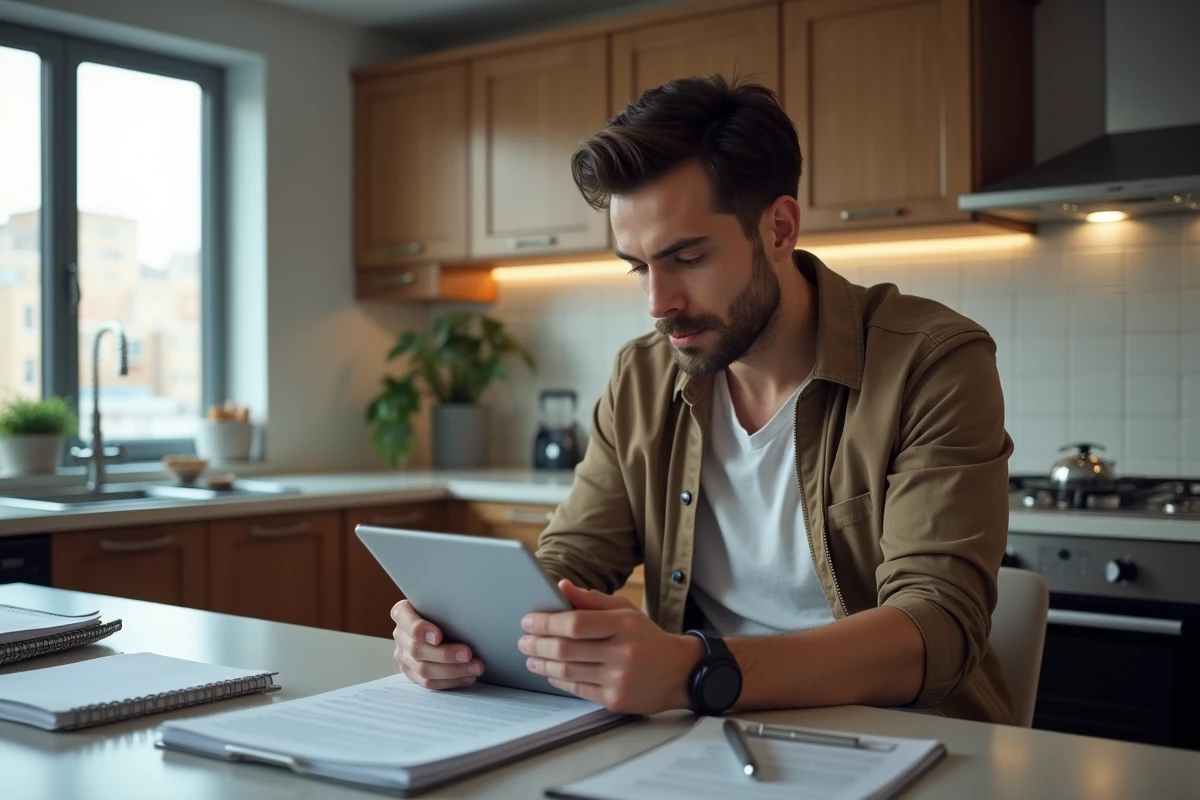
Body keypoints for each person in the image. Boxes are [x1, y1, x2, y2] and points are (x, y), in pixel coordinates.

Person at [391, 75, 1014, 724]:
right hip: (707, 739)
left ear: (778, 229)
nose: (659, 304)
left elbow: (936, 628)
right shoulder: (641, 377)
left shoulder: (932, 363)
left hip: (907, 745)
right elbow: (569, 560)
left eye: (685, 257)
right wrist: (460, 629)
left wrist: (696, 668)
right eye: (637, 267)